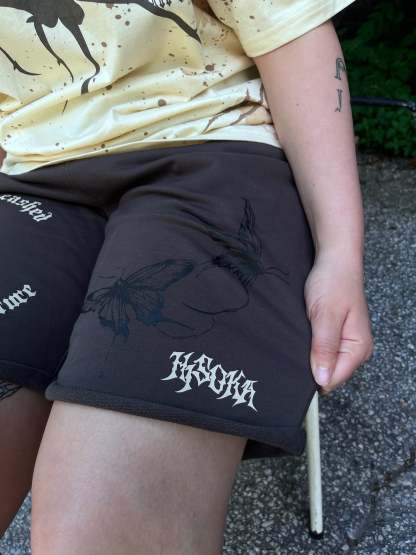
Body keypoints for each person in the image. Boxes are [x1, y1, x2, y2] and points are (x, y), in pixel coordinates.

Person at [0, 1, 374, 553]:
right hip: (31, 172)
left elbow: (290, 34)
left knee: (97, 531)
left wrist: (340, 254)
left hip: (218, 143)